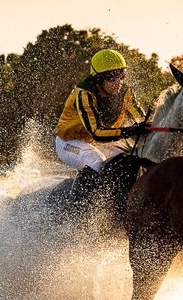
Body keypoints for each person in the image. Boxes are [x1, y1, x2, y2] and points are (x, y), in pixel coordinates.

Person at [54, 48, 148, 204]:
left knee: (132, 155)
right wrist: (128, 131)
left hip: (96, 143)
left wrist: (147, 125)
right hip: (69, 142)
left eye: (121, 75)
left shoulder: (125, 92)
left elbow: (142, 118)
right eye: (111, 78)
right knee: (95, 160)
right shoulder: (84, 94)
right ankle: (76, 209)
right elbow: (97, 133)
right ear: (98, 79)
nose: (118, 83)